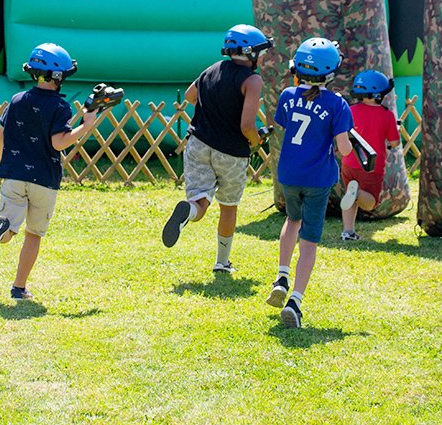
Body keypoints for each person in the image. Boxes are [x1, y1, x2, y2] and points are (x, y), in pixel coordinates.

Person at [0, 43, 97, 300]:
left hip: (14, 176)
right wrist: (85, 126)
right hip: (44, 179)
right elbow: (59, 142)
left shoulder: (17, 100)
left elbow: (0, 135)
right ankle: (19, 287)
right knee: (34, 234)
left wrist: (0, 164)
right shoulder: (60, 107)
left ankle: (2, 230)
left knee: (10, 228)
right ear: (59, 77)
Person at [162, 24, 272, 273]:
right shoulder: (252, 81)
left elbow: (190, 96)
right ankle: (222, 262)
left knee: (201, 200)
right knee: (228, 206)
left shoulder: (211, 69)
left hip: (198, 143)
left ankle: (189, 211)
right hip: (231, 152)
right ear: (252, 53)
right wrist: (256, 141)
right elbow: (246, 125)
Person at [265, 37, 353, 329]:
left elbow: (288, 125)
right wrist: (347, 137)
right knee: (310, 239)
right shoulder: (338, 105)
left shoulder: (288, 95)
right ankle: (295, 301)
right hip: (317, 179)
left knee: (292, 220)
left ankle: (281, 276)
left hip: (289, 174)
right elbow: (343, 149)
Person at [339, 69, 401, 241]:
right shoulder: (386, 115)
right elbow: (394, 143)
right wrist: (397, 131)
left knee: (349, 197)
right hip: (371, 165)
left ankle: (348, 231)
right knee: (370, 202)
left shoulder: (350, 110)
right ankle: (357, 193)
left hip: (349, 162)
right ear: (377, 95)